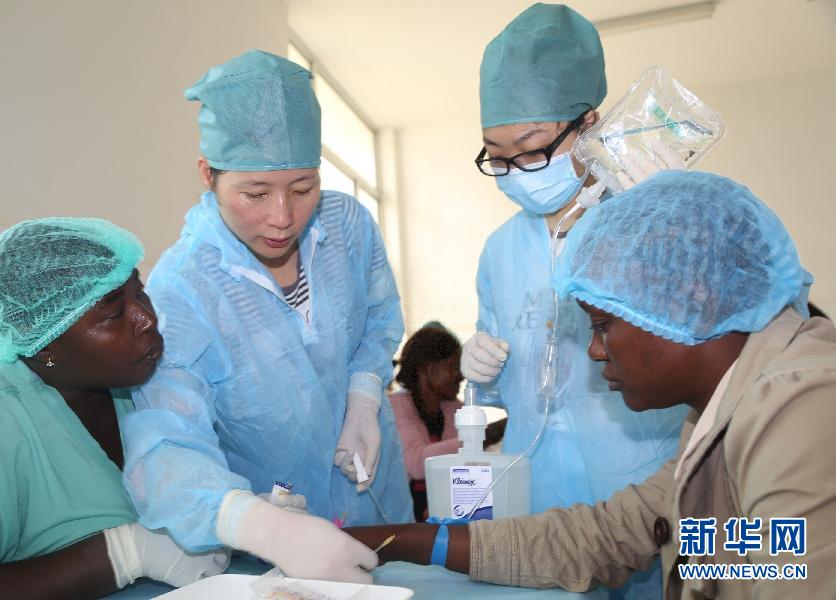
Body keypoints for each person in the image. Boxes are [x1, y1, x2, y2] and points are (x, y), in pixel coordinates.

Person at [348, 170, 836, 597]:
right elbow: (600, 537)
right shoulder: (723, 414)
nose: (594, 350)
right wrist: (409, 541)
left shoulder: (800, 409)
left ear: (686, 300)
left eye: (603, 325)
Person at [121, 50, 412, 585]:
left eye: (303, 188)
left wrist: (364, 397)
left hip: (382, 502)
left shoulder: (347, 225)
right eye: (255, 194)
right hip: (278, 548)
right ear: (208, 174)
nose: (283, 218)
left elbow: (379, 320)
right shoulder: (182, 290)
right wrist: (257, 524)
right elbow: (164, 447)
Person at [460, 5, 688, 596]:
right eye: (496, 155)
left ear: (589, 124)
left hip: (641, 486)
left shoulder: (652, 217)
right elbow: (503, 390)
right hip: (536, 491)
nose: (515, 170)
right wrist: (480, 372)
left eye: (531, 148)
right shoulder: (500, 249)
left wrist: (672, 219)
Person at [0, 218, 228, 599]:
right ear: (44, 343)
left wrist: (236, 516)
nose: (147, 318)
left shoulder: (146, 390)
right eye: (113, 313)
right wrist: (123, 554)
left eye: (140, 292)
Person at [390, 323, 507, 522]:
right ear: (428, 369)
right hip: (401, 520)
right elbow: (415, 463)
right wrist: (484, 435)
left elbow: (467, 468)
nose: (461, 375)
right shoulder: (396, 406)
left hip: (440, 516)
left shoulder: (454, 408)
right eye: (453, 366)